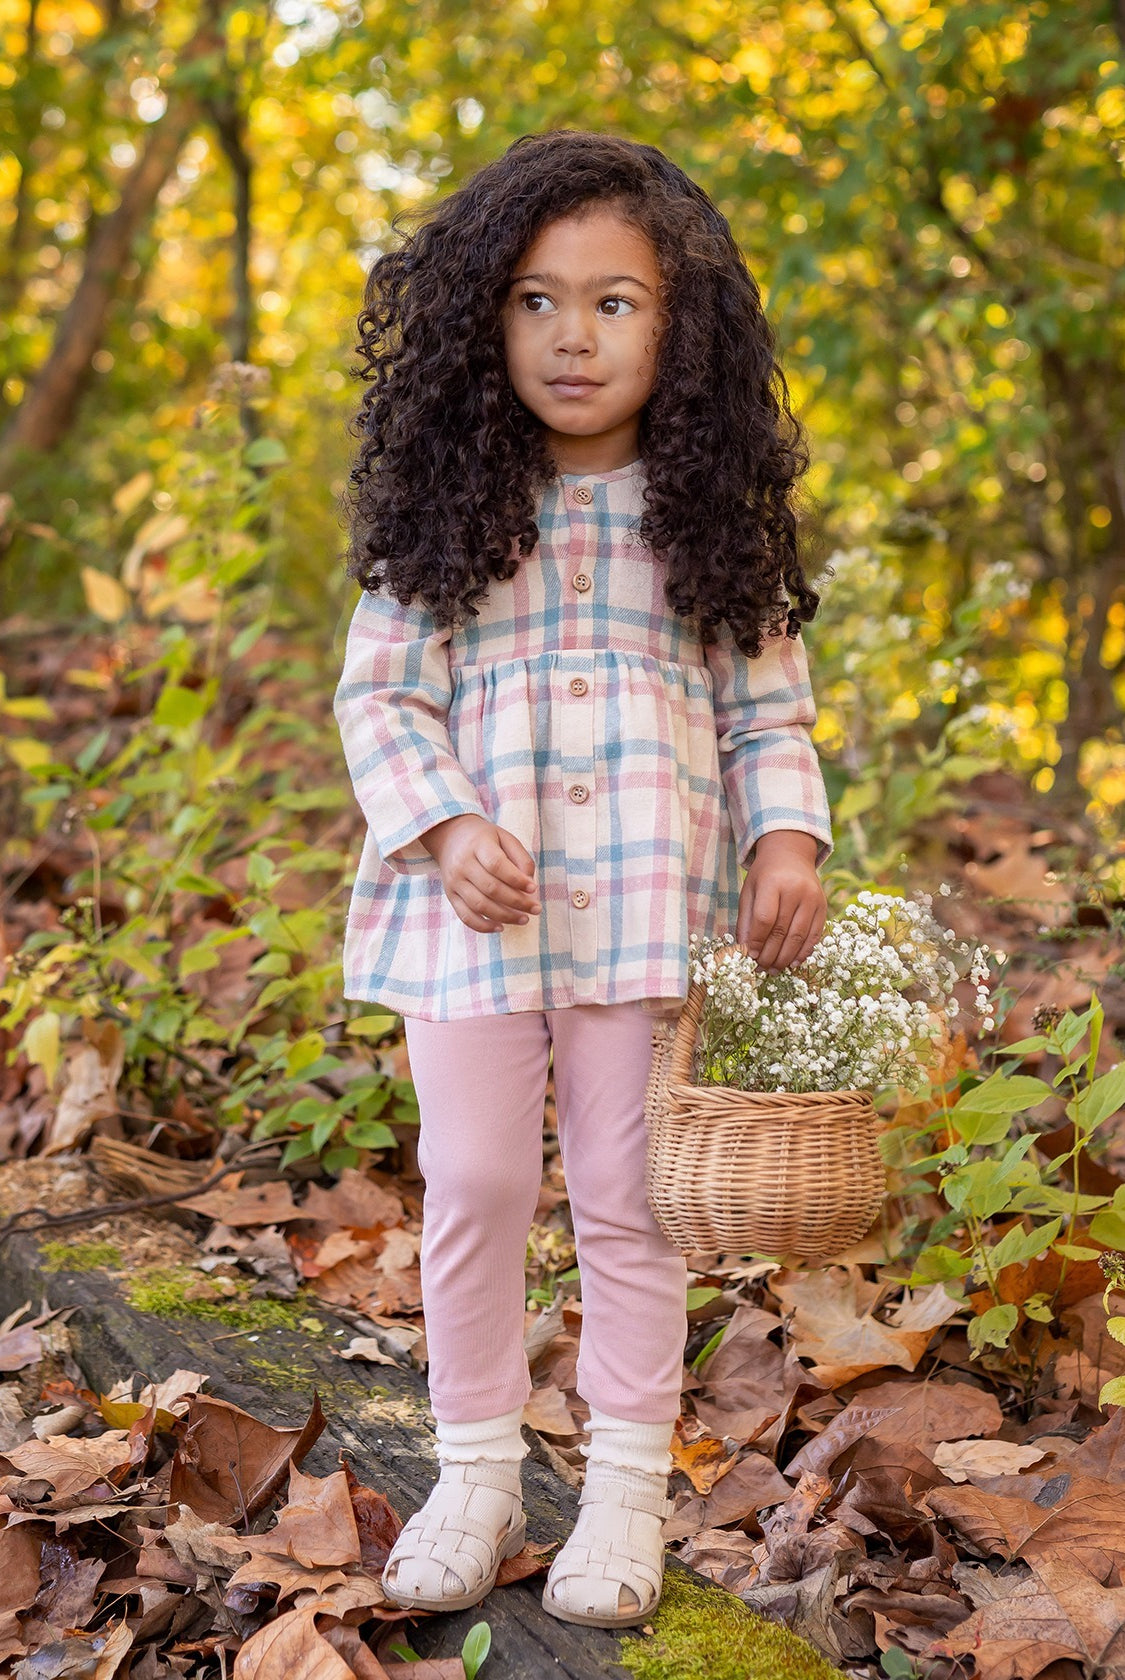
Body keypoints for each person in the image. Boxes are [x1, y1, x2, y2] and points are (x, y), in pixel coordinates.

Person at [333, 129, 834, 1629]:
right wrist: (437, 824)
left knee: (628, 1202)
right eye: (538, 300)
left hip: (643, 916)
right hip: (470, 917)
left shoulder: (708, 521)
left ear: (678, 329)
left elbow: (768, 714)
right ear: (485, 319)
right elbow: (379, 698)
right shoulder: (446, 511)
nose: (573, 334)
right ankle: (476, 1468)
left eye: (614, 302)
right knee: (477, 1184)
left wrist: (783, 837)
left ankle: (623, 1487)